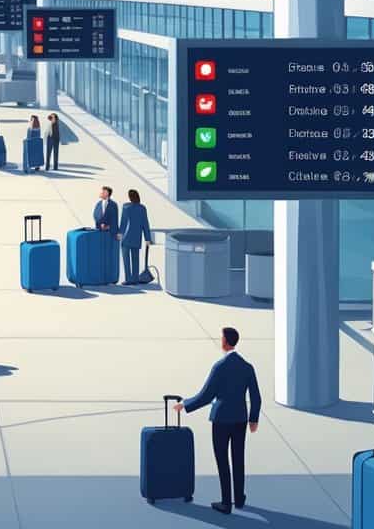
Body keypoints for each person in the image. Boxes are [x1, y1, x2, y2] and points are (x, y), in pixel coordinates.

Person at [173, 327, 262, 514]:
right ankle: (239, 498)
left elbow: (206, 395)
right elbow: (256, 396)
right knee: (238, 458)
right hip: (240, 419)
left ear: (225, 342)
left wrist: (185, 405)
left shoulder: (219, 367)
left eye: (221, 338)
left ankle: (226, 502)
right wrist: (253, 419)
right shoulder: (247, 367)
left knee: (222, 460)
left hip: (221, 419)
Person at [116, 189, 152, 286]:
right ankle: (135, 279)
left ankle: (128, 279)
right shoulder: (142, 208)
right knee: (135, 259)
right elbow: (145, 224)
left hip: (126, 238)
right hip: (137, 237)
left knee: (126, 260)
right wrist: (147, 238)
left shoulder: (126, 207)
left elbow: (123, 222)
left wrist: (120, 233)